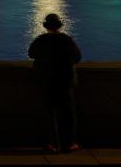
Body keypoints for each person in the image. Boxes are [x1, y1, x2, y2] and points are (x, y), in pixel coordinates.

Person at [28, 13, 82, 154]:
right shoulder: (66, 40)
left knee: (49, 114)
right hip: (64, 82)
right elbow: (77, 57)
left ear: (46, 26)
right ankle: (69, 143)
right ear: (59, 26)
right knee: (67, 114)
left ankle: (52, 144)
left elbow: (31, 53)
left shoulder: (41, 40)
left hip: (47, 82)